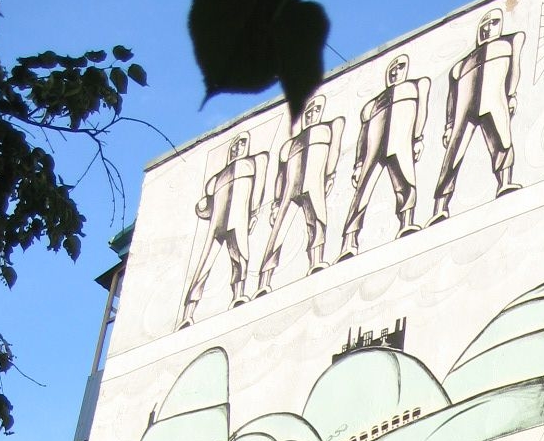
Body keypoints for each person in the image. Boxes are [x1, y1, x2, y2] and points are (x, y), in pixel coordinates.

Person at [430, 9, 524, 223]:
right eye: (484, 24)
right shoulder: (460, 65)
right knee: (453, 155)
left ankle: (504, 182)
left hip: (493, 98)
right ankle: (440, 206)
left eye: (493, 23)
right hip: (465, 108)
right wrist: (449, 125)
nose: (488, 28)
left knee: (502, 139)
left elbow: (514, 70)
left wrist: (511, 95)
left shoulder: (509, 43)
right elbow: (452, 99)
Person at [338, 55, 430, 257]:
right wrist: (358, 164)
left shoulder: (416, 86)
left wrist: (418, 138)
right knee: (362, 192)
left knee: (406, 181)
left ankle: (406, 222)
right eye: (392, 69)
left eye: (400, 67)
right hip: (374, 147)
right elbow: (362, 138)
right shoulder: (371, 105)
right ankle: (349, 241)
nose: (395, 72)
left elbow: (421, 112)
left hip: (400, 140)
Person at [179, 132, 269, 327]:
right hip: (218, 222)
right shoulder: (217, 178)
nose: (237, 148)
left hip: (239, 215)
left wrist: (254, 213)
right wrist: (202, 208)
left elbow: (258, 189)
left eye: (242, 144)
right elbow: (205, 207)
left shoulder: (254, 162)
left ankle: (238, 295)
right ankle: (188, 313)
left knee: (240, 255)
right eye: (234, 146)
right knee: (204, 263)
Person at [256, 96, 344, 294]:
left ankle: (316, 261)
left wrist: (330, 175)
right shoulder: (289, 145)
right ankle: (264, 280)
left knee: (317, 220)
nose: (311, 115)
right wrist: (275, 202)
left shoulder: (327, 129)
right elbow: (280, 176)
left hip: (314, 180)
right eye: (308, 112)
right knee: (278, 232)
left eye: (316, 111)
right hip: (290, 188)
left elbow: (334, 152)